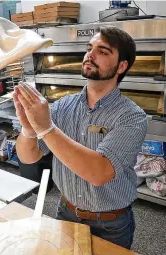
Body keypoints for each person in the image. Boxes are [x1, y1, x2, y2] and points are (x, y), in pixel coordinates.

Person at [14, 26, 147, 249]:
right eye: (89, 48)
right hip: (65, 212)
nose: (90, 55)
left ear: (121, 66)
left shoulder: (132, 117)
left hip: (110, 224)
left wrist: (46, 128)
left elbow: (99, 172)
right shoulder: (63, 106)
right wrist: (28, 130)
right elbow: (28, 157)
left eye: (103, 52)